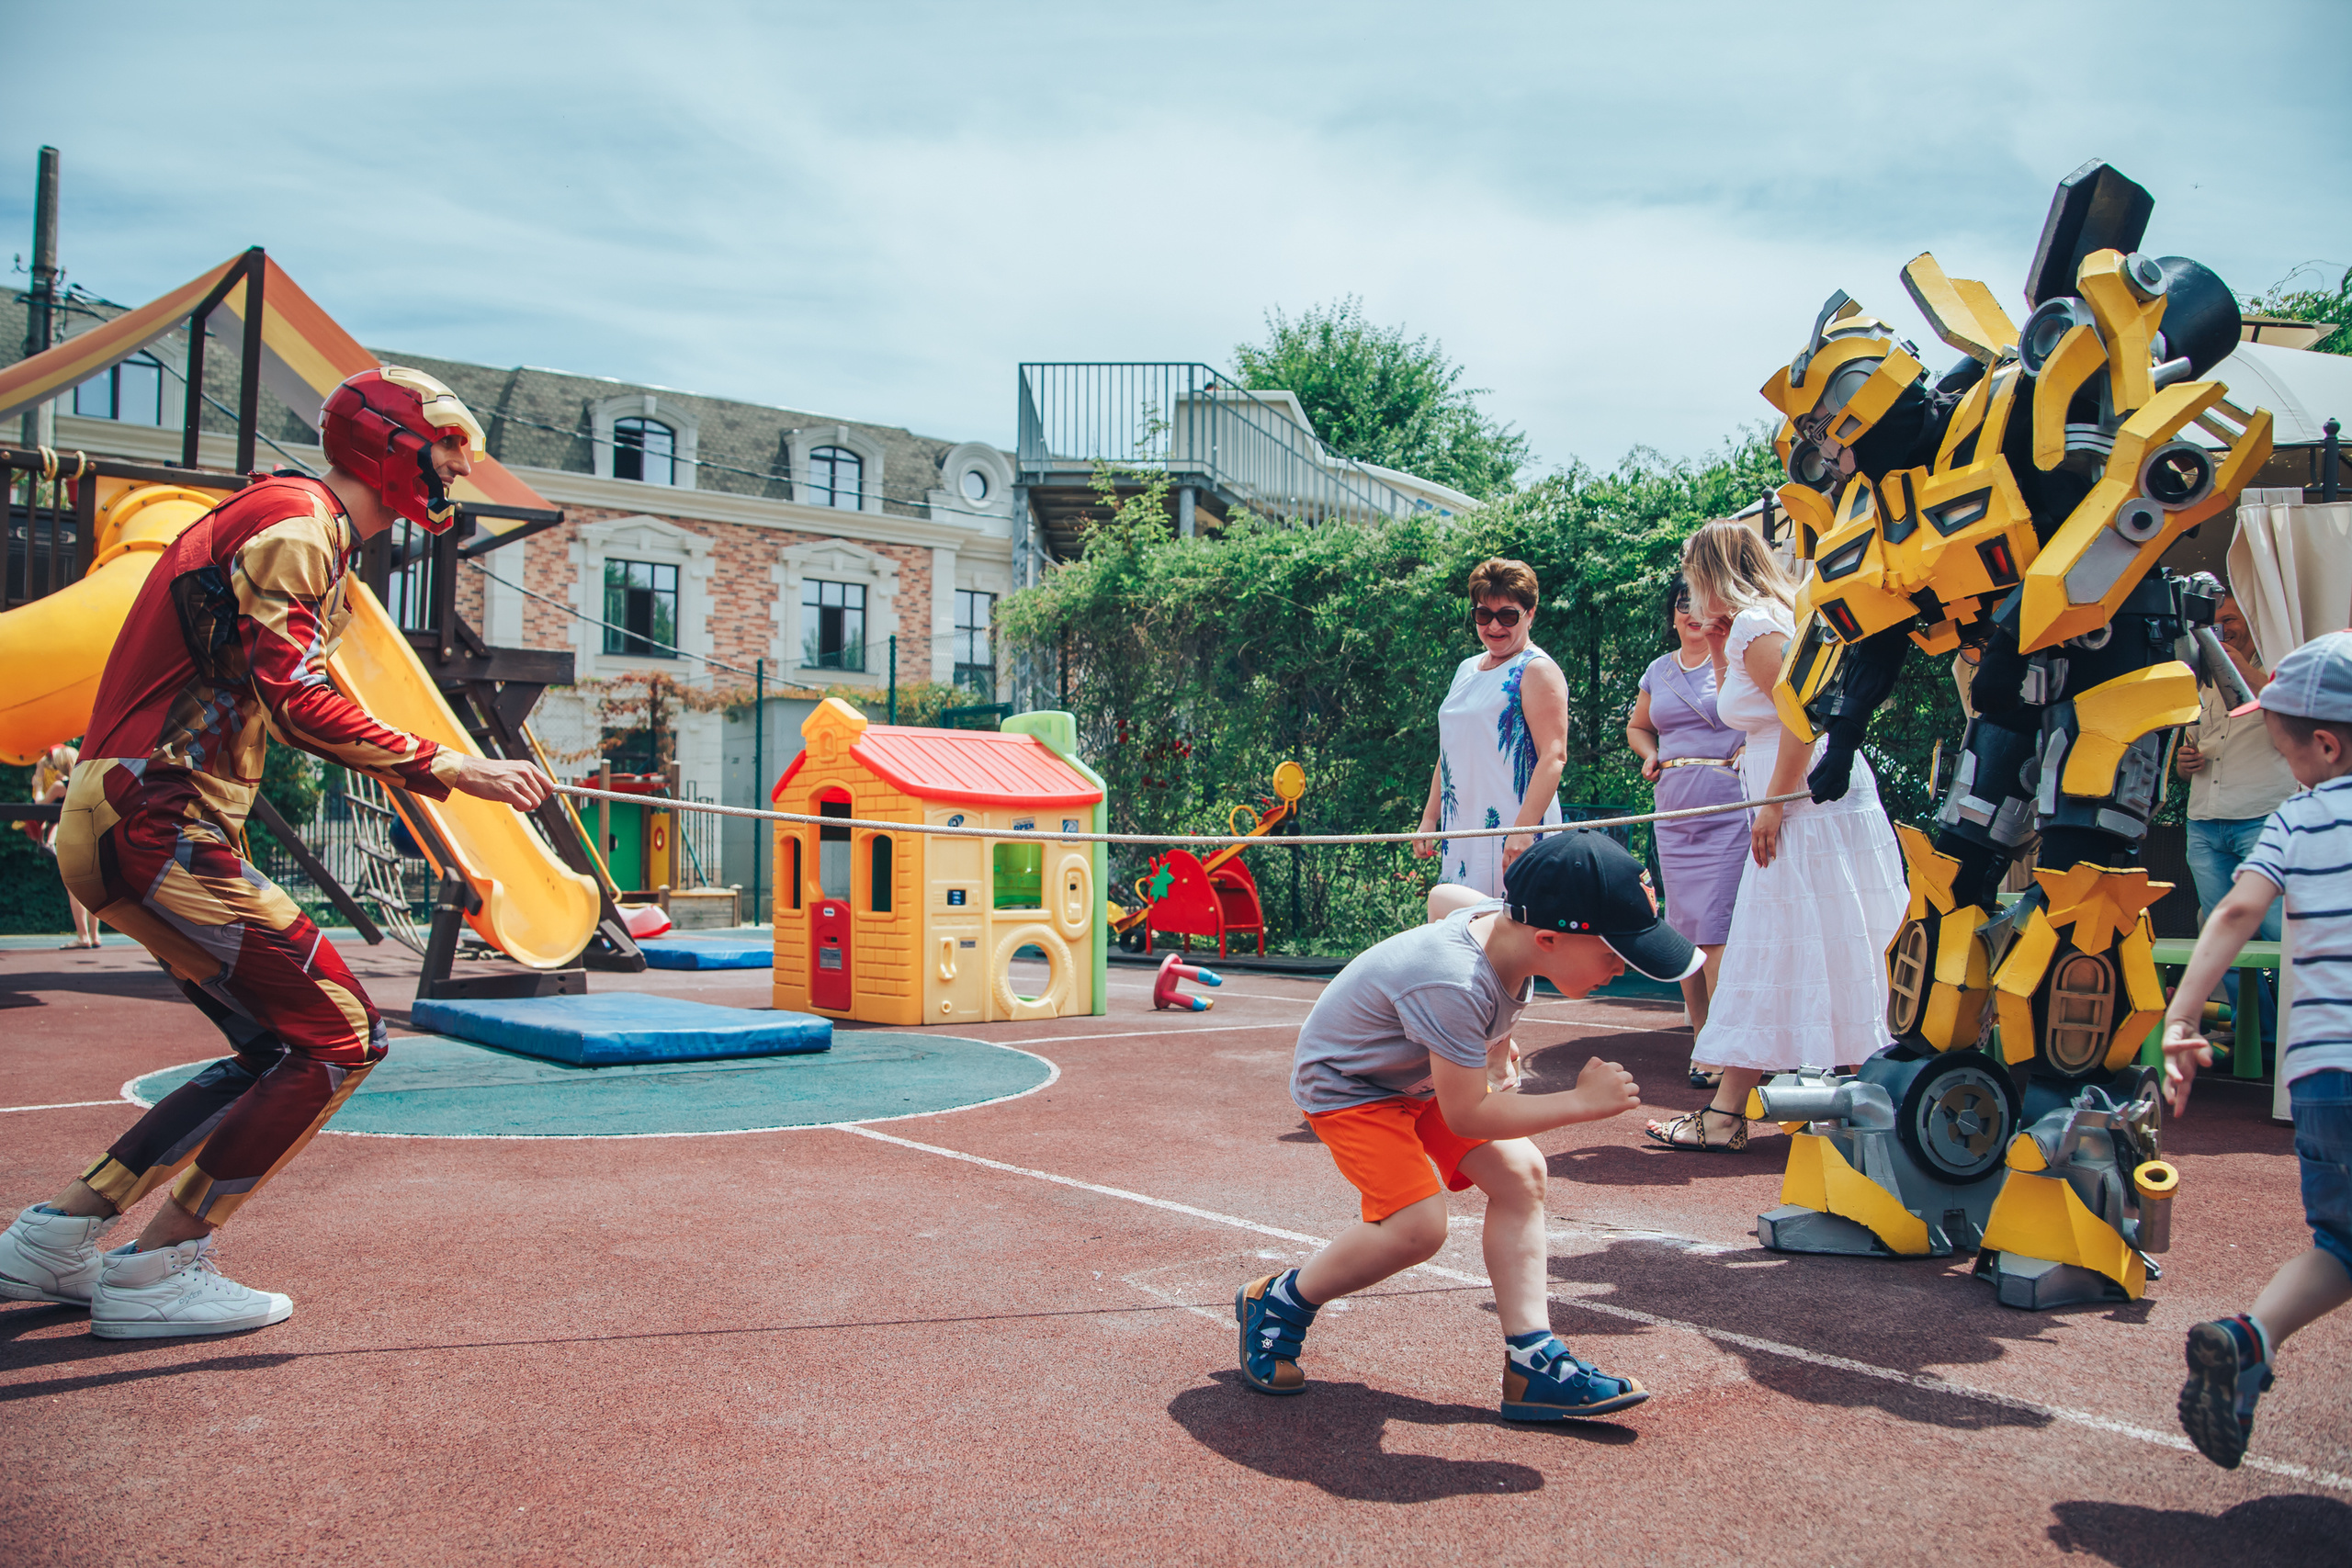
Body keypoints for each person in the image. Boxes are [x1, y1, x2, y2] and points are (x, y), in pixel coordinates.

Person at [0, 367, 551, 1338]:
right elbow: (299, 701)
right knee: (343, 1034)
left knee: (271, 1047)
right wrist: (454, 766)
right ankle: (160, 1269)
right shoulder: (300, 529)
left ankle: (57, 1235)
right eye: (448, 446)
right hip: (161, 822)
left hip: (127, 820)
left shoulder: (288, 520)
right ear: (389, 444)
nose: (460, 469)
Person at [1237, 830, 1702, 1421]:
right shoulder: (1453, 983)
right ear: (1548, 939)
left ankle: (1532, 1364)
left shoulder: (1503, 924)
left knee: (1521, 1175)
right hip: (1351, 1087)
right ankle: (1276, 1301)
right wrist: (1582, 1102)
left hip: (1414, 1073)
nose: (1621, 969)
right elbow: (1470, 1113)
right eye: (1615, 955)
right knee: (1416, 1227)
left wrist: (1494, 1041)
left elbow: (1444, 898)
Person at [1645, 521, 1906, 1151]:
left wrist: (1776, 803)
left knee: (1795, 936)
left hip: (1800, 803)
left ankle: (1738, 1109)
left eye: (1692, 574)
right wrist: (1715, 640)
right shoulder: (1749, 626)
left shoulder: (1761, 624)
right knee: (1791, 940)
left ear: (1710, 569)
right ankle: (1742, 1107)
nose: (1688, 589)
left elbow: (1804, 716)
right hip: (1788, 796)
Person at [2159, 629, 2352, 1471]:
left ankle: (2251, 1335)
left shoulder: (2297, 816)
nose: (2286, 767)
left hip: (2318, 1075)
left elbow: (2234, 913)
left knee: (2340, 1244)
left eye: (2281, 748)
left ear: (2326, 744)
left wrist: (2181, 1017)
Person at [1626, 570, 1746, 1083]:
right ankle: (1702, 1040)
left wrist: (1748, 747)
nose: (1691, 612)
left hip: (1727, 805)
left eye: (1700, 601)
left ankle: (1723, 1046)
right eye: (1682, 603)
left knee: (1716, 933)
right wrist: (1651, 755)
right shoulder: (1657, 670)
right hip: (1673, 808)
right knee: (1684, 932)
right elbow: (1637, 726)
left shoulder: (1734, 662)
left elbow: (1763, 714)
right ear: (1673, 614)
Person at [2176, 592, 2296, 1057]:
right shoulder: (2199, 682)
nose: (2223, 628)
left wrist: (2234, 662)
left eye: (2230, 620)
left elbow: (2285, 708)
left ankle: (2298, 1036)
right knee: (2219, 931)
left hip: (2262, 815)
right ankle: (2261, 1041)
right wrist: (2185, 763)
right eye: (2216, 621)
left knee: (2277, 929)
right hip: (2205, 820)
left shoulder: (2278, 667)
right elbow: (2191, 746)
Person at [1416, 558, 1567, 898]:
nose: (1494, 626)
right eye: (1484, 615)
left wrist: (1523, 831)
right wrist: (1429, 819)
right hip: (1463, 829)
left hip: (1514, 828)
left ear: (1530, 613)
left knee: (1514, 930)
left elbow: (1553, 756)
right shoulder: (1466, 669)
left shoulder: (1537, 669)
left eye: (1508, 616)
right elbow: (1449, 751)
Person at [28, 740, 102, 949]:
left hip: (71, 838)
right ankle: (95, 935)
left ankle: (83, 936)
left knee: (74, 889)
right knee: (93, 887)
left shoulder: (61, 786)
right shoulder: (88, 781)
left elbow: (39, 805)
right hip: (92, 835)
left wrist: (38, 785)